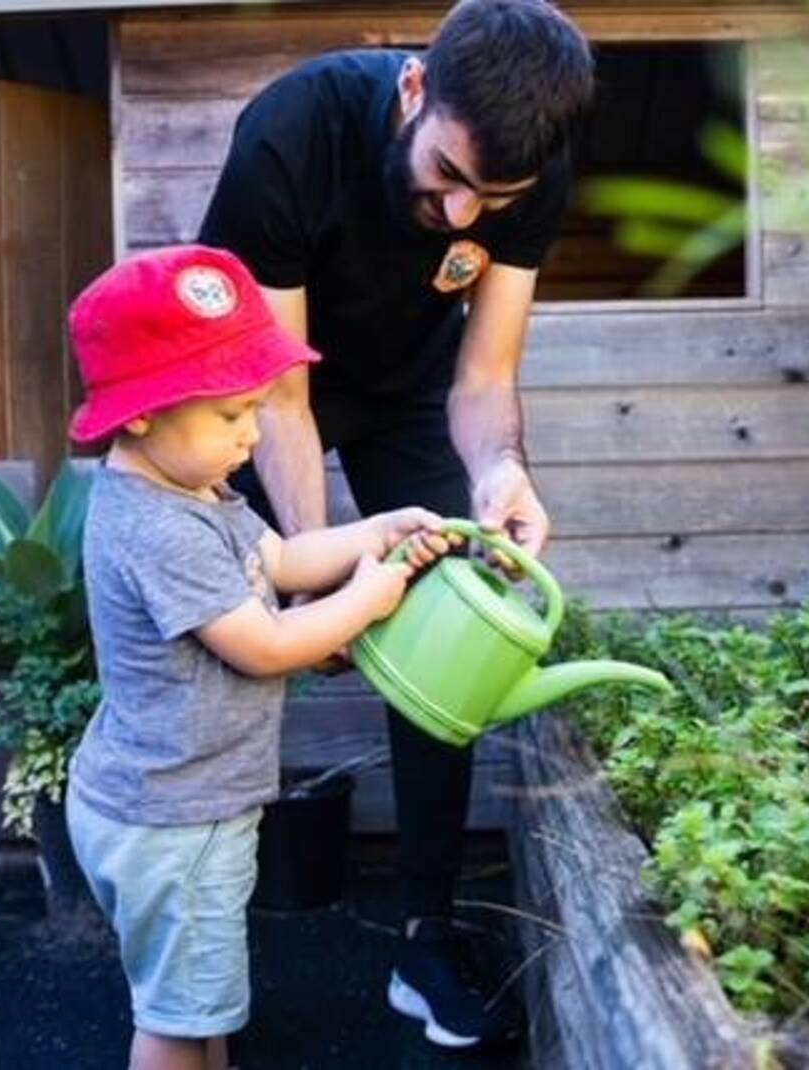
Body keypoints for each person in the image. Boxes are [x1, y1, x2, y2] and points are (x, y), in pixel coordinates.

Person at [197, 0, 594, 1046]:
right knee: (225, 622)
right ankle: (193, 918)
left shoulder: (528, 173)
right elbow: (281, 397)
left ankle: (428, 929)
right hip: (251, 389)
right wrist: (318, 573)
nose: (465, 217)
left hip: (408, 388)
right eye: (448, 179)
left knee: (444, 616)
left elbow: (485, 371)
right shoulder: (295, 132)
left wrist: (499, 470)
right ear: (413, 92)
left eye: (490, 198)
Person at [62, 245, 453, 1070]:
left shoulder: (192, 486)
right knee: (173, 1021)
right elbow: (266, 644)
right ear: (141, 411)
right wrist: (369, 597)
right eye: (232, 414)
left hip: (169, 802)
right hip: (174, 820)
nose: (252, 433)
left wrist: (372, 534)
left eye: (255, 408)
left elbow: (274, 563)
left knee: (199, 1010)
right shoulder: (158, 526)